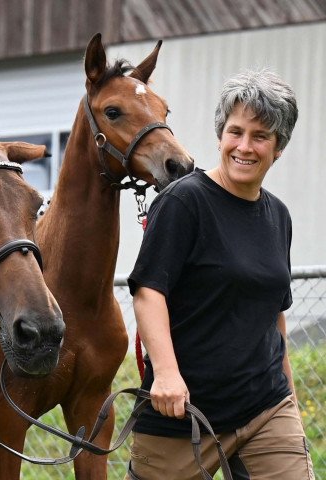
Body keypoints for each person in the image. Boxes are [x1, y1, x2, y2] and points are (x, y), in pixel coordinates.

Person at [126, 69, 315, 479]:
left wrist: (291, 400)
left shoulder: (278, 215)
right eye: (236, 132)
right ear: (220, 135)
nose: (244, 147)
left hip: (266, 409)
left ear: (278, 147)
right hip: (182, 412)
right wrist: (168, 376)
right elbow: (148, 292)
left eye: (260, 136)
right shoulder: (184, 202)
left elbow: (273, 314)